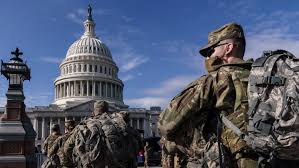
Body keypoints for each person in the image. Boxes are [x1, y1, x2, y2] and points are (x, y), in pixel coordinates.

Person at [158, 23, 258, 168]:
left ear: (228, 48)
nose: (208, 57)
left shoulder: (214, 81)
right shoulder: (266, 80)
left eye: (211, 50)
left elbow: (165, 124)